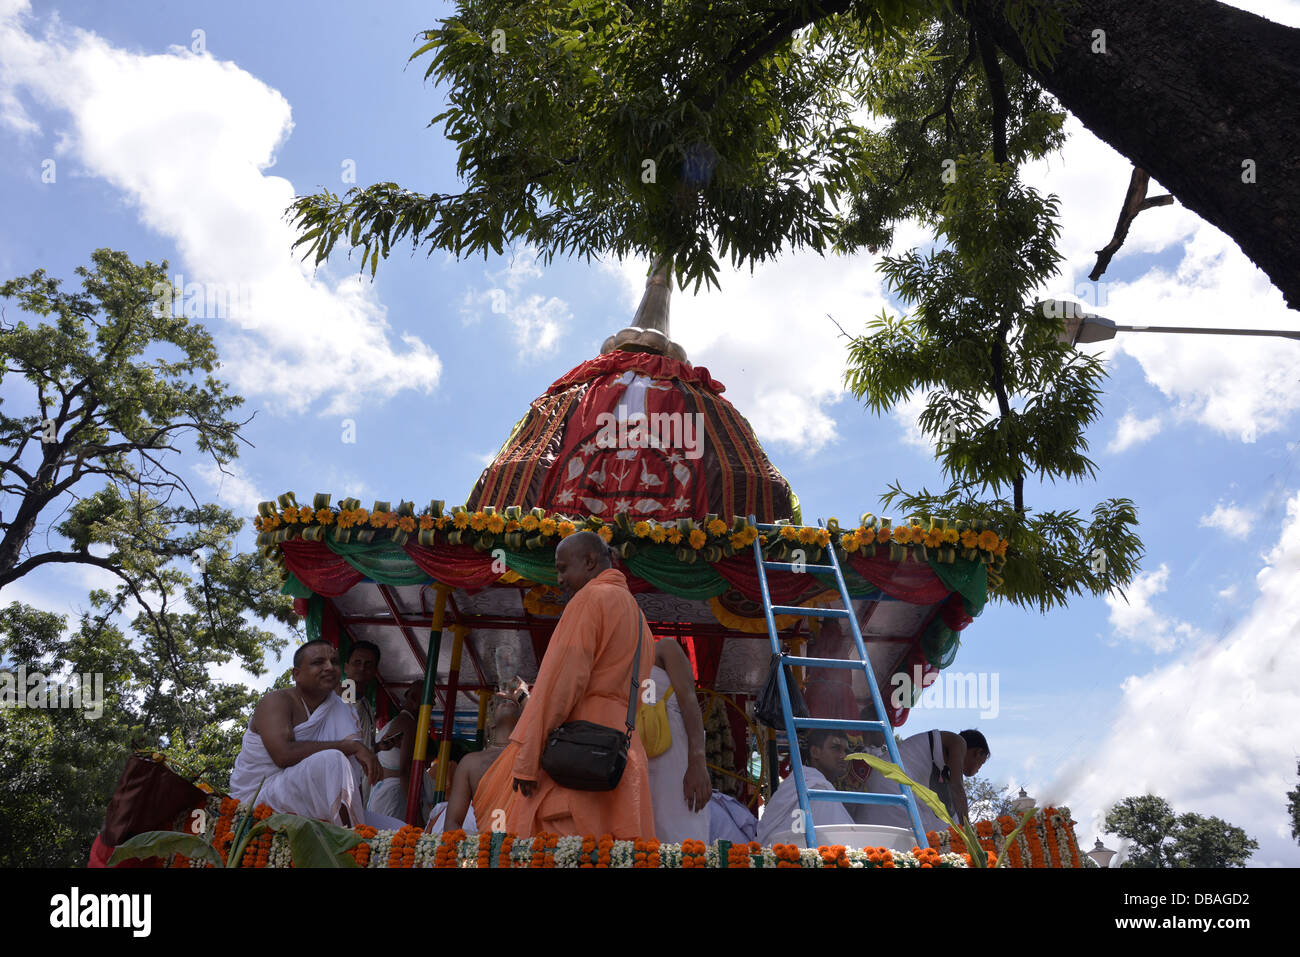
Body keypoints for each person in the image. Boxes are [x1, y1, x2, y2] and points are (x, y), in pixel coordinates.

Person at [504, 531, 656, 839]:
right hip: (620, 755)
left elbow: (559, 685)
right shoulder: (640, 620)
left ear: (589, 561)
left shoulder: (590, 599)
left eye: (562, 568)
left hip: (579, 752)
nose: (558, 579)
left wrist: (528, 758)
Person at [229, 640, 382, 827]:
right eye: (318, 662)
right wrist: (350, 747)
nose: (329, 667)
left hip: (311, 796)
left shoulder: (340, 707)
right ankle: (350, 839)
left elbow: (352, 772)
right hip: (258, 797)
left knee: (398, 829)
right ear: (297, 674)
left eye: (333, 662)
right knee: (333, 759)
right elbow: (283, 755)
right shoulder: (276, 701)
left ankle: (352, 828)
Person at [857, 729, 991, 833]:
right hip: (892, 784)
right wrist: (968, 834)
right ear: (978, 752)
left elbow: (948, 811)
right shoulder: (958, 742)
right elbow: (957, 788)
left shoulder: (943, 764)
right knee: (917, 842)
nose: (978, 769)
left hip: (888, 783)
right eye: (981, 763)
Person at [643, 636, 711, 842]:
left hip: (673, 760)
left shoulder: (665, 648)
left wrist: (698, 761)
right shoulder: (614, 659)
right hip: (634, 760)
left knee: (682, 834)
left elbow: (690, 703)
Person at [433, 694, 524, 833]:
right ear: (491, 723)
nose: (507, 702)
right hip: (486, 847)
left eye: (515, 703)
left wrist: (524, 695)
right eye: (498, 703)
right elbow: (452, 822)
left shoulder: (532, 754)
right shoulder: (470, 763)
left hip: (529, 846)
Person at [757, 729, 854, 846]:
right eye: (836, 748)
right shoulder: (819, 788)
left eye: (846, 751)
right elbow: (846, 842)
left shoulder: (803, 781)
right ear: (815, 752)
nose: (844, 756)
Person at [366, 681, 420, 821]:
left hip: (382, 791)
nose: (433, 704)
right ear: (414, 699)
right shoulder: (408, 723)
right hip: (392, 795)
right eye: (430, 699)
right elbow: (405, 771)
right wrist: (416, 814)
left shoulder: (398, 721)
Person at [343, 641, 381, 804]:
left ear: (375, 671)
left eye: (368, 664)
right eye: (357, 663)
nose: (362, 668)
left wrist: (377, 747)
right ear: (346, 667)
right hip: (343, 780)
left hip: (361, 783)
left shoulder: (365, 704)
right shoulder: (343, 695)